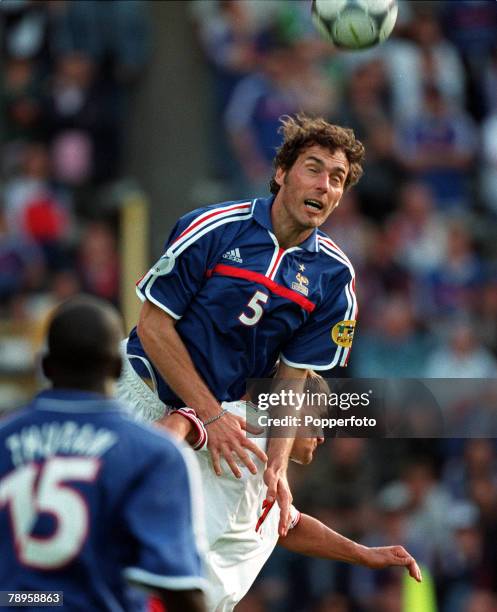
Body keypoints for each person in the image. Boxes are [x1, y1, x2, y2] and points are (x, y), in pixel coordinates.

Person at [118, 113, 364, 536]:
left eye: (337, 178)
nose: (325, 185)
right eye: (314, 169)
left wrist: (278, 465)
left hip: (219, 426)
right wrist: (210, 416)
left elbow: (293, 375)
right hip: (142, 397)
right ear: (281, 172)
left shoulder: (335, 277)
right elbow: (153, 327)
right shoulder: (214, 228)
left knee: (174, 558)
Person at [0, 296, 208, 612]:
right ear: (115, 366)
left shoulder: (5, 437)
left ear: (45, 366)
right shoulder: (153, 453)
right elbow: (177, 588)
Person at [160, 371, 423, 611]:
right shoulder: (250, 427)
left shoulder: (271, 470)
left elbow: (290, 526)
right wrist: (145, 466)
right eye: (318, 418)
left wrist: (364, 554)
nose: (321, 435)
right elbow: (181, 421)